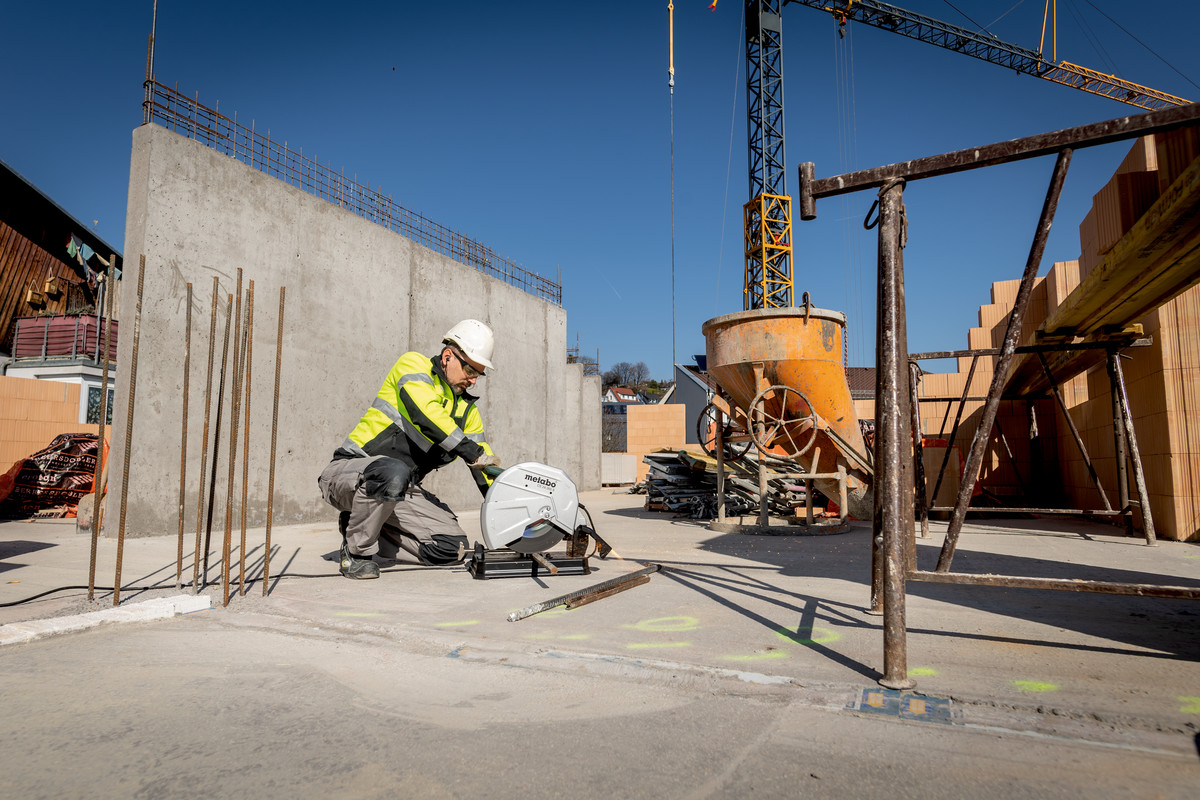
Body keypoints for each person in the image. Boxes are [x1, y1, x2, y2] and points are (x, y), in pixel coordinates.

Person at [317, 320, 501, 579]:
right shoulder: (413, 366)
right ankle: (357, 552)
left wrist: (505, 503)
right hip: (350, 475)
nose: (472, 380)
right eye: (470, 370)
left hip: (398, 488)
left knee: (451, 548)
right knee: (392, 471)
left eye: (478, 374)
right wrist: (471, 451)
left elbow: (483, 466)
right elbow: (426, 414)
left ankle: (362, 526)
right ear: (448, 356)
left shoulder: (467, 412)